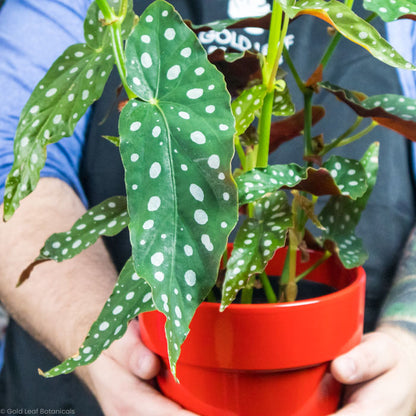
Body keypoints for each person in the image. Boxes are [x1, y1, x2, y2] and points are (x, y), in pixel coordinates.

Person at [0, 0, 416, 414]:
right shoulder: (102, 10)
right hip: (112, 384)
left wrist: (408, 341)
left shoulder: (397, 12)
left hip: (343, 375)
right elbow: (10, 168)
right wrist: (107, 351)